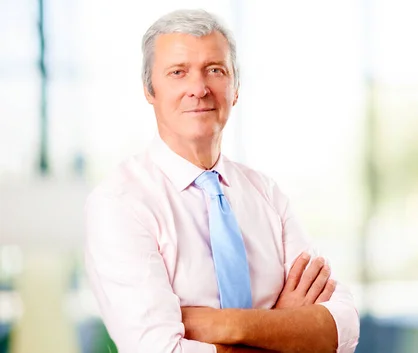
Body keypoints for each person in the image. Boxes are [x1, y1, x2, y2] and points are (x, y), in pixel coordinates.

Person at [84, 8, 360, 353]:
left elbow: (343, 326)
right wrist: (284, 325)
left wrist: (223, 325)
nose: (198, 89)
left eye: (214, 70)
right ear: (149, 90)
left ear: (236, 88)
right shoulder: (120, 204)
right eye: (178, 72)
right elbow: (160, 350)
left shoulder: (267, 194)